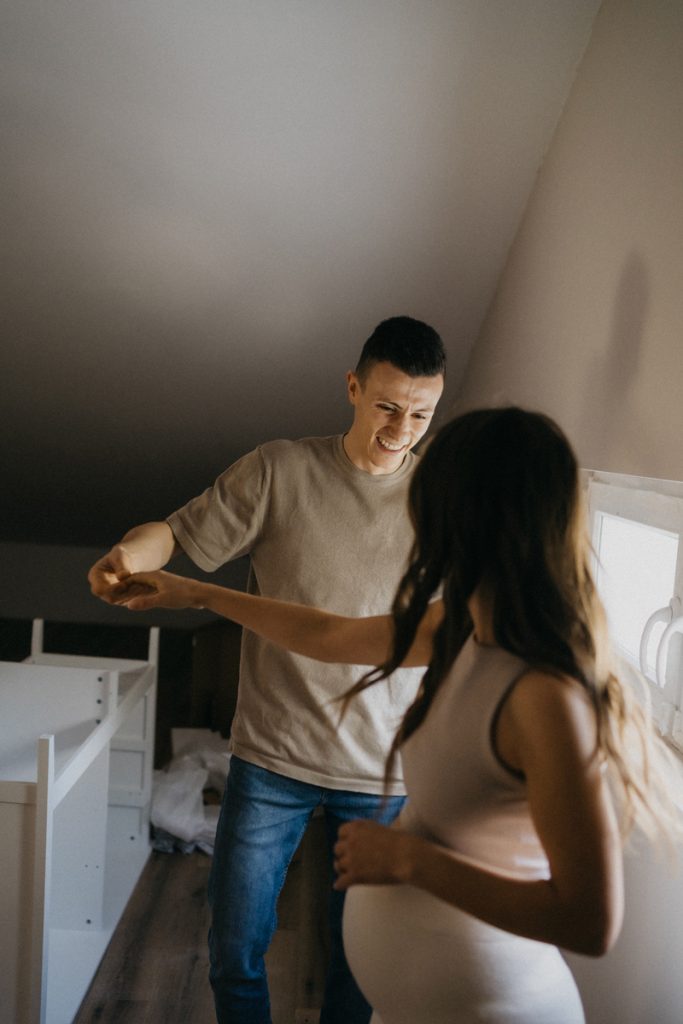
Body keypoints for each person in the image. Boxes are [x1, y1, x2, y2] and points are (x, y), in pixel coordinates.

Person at [110, 406, 680, 1024]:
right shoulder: (464, 624)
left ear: (469, 514)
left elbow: (590, 921)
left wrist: (409, 862)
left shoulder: (545, 694)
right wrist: (194, 591)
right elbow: (331, 635)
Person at [88, 316, 446, 1024]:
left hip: (381, 769)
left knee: (361, 965)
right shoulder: (280, 469)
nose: (401, 428)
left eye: (420, 413)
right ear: (351, 388)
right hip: (270, 757)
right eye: (385, 407)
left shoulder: (447, 498)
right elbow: (178, 533)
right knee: (233, 951)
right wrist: (130, 554)